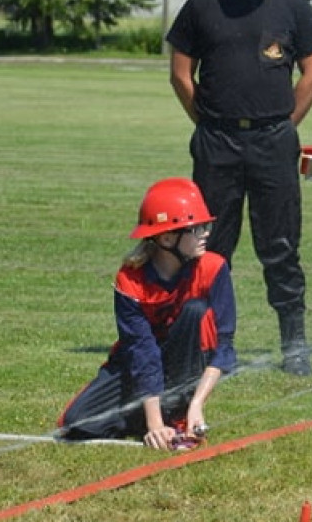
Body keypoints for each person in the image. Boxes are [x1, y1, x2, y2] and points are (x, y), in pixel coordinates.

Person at [166, 0, 312, 376]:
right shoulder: (202, 4)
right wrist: (211, 122)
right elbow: (180, 74)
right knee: (211, 247)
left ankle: (294, 346)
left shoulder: (292, 4)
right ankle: (215, 345)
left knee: (280, 245)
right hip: (217, 141)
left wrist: (282, 124)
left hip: (274, 141)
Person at [58, 178, 237, 450]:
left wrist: (197, 405)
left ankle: (178, 415)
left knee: (195, 312)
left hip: (184, 361)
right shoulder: (130, 280)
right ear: (167, 238)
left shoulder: (214, 269)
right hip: (137, 363)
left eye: (206, 226)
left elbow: (224, 347)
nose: (206, 233)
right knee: (77, 425)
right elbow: (141, 351)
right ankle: (152, 417)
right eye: (196, 228)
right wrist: (153, 423)